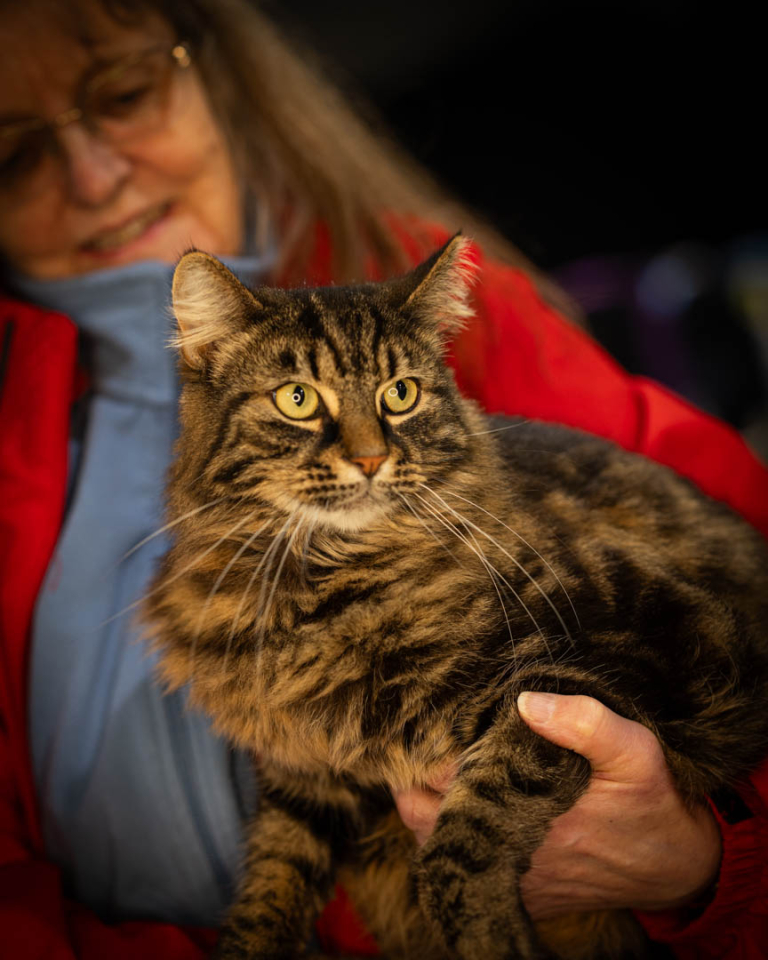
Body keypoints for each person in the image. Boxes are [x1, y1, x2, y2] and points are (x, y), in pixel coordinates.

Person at [0, 1, 766, 958]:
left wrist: (701, 863)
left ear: (216, 72)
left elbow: (724, 606)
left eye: (122, 93)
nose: (94, 174)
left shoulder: (438, 319)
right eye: (15, 151)